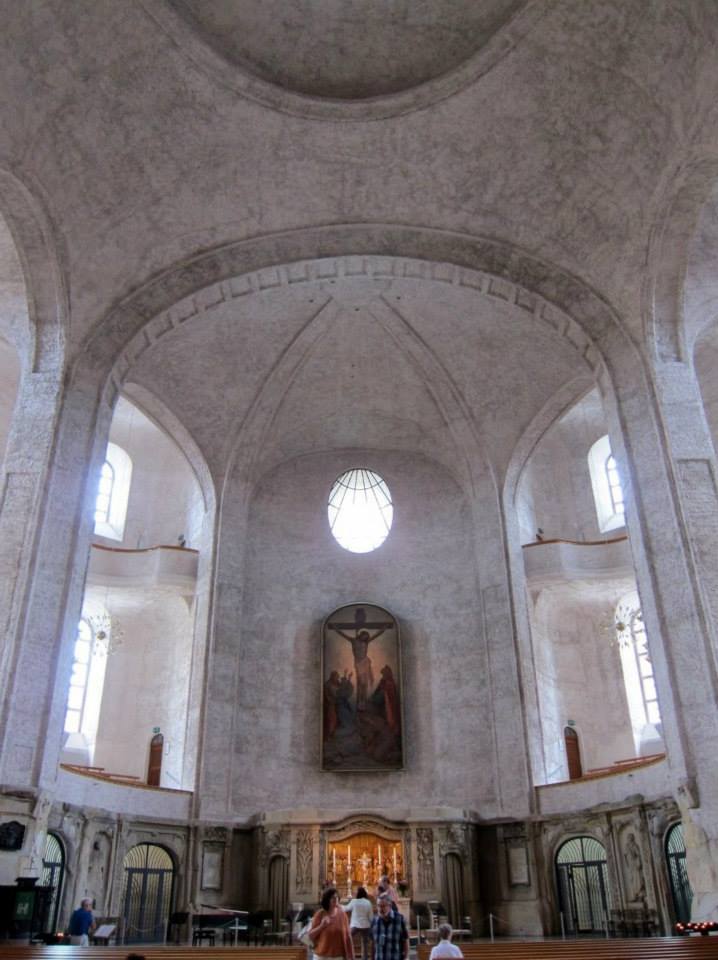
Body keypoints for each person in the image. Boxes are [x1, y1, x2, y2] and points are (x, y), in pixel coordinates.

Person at [309, 886, 354, 960]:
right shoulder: (320, 914)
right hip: (321, 956)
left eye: (336, 897)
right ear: (327, 899)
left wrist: (351, 956)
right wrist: (321, 926)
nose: (335, 899)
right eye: (333, 897)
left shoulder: (342, 915)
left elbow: (348, 936)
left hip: (338, 956)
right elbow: (310, 936)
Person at [371, 895, 408, 960]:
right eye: (378, 906)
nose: (380, 909)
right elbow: (373, 943)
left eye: (383, 906)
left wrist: (405, 957)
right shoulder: (374, 921)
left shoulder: (399, 919)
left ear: (390, 906)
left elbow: (405, 941)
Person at [343, 886, 374, 960]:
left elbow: (346, 908)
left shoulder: (354, 901)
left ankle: (348, 957)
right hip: (366, 925)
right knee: (365, 944)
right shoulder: (368, 902)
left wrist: (337, 905)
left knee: (347, 940)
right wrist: (371, 925)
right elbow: (371, 916)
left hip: (355, 925)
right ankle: (365, 958)